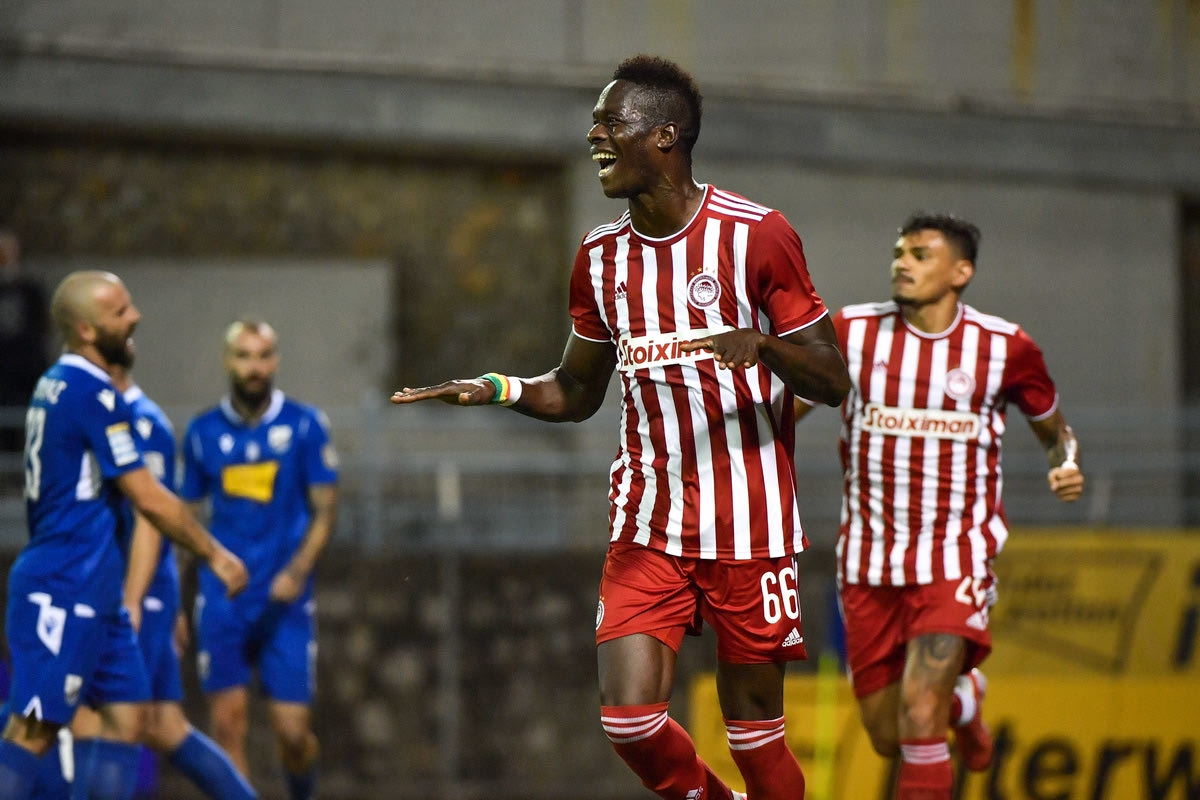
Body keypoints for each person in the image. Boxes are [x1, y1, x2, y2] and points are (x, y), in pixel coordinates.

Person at [392, 54, 850, 800]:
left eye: (611, 122)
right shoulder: (600, 258)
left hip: (750, 527)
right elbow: (576, 390)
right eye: (594, 123)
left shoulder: (757, 236)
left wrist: (766, 347)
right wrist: (496, 388)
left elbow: (833, 381)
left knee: (755, 738)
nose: (594, 136)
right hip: (647, 524)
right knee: (631, 723)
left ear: (664, 135)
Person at [794, 212, 1085, 800]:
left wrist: (1064, 462)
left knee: (921, 710)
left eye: (920, 254)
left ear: (961, 272)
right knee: (888, 734)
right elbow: (788, 410)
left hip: (955, 556)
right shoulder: (851, 332)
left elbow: (1054, 429)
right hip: (868, 562)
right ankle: (966, 702)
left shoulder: (1004, 347)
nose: (902, 263)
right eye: (898, 252)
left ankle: (947, 702)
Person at [0, 270, 248, 800]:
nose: (135, 317)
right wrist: (214, 554)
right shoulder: (93, 393)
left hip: (98, 589)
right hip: (63, 583)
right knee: (33, 728)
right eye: (120, 312)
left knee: (130, 718)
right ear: (87, 330)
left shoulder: (56, 382)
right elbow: (148, 498)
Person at [41, 360, 259, 800]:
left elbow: (152, 519)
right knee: (163, 725)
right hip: (133, 594)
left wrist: (133, 600)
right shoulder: (101, 416)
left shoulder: (142, 422)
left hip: (131, 595)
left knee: (96, 719)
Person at [179, 318, 338, 800]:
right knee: (228, 727)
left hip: (284, 602)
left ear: (276, 361)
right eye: (244, 356)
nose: (254, 367)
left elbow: (325, 510)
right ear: (228, 361)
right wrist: (175, 595)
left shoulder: (305, 425)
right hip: (223, 600)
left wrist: (297, 571)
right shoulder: (203, 432)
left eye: (263, 356)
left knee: (293, 734)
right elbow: (182, 519)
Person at [0, 228, 51, 490]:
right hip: (3, 376)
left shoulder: (30, 289)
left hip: (27, 371)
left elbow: (41, 327)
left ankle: (30, 481)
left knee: (33, 428)